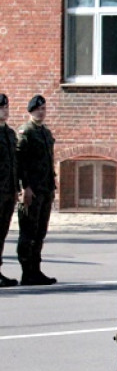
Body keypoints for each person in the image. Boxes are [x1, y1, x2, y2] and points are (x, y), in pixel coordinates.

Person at [15, 94, 56, 285]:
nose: (41, 112)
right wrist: (25, 187)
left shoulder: (45, 133)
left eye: (44, 109)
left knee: (40, 231)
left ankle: (36, 269)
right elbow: (20, 162)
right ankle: (26, 270)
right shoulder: (26, 132)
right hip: (32, 189)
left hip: (45, 188)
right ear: (31, 111)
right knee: (28, 231)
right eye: (38, 109)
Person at [0, 94, 17, 287]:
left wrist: (17, 188)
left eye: (6, 106)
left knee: (2, 233)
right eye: (1, 107)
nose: (5, 109)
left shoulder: (10, 134)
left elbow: (15, 164)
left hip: (8, 190)